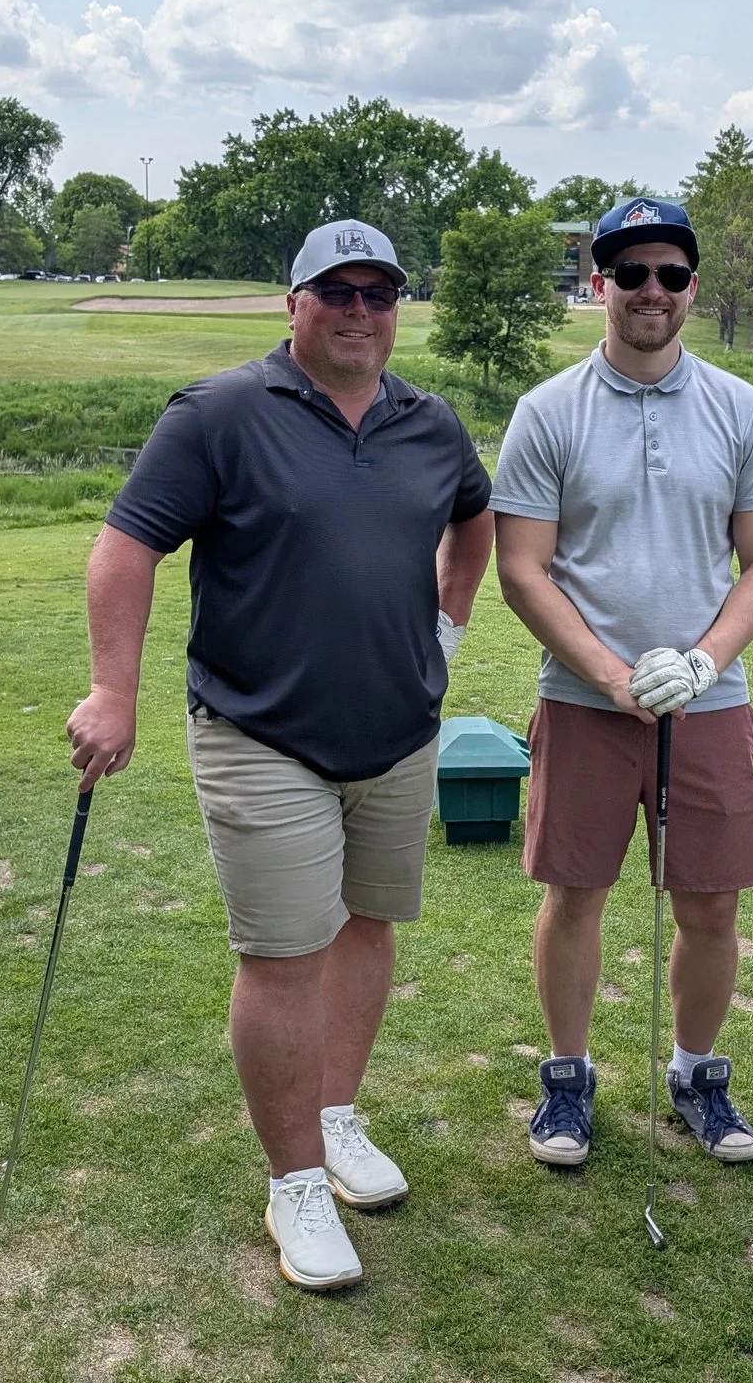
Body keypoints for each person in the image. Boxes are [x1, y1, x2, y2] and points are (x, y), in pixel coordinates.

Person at [64, 219, 494, 1292]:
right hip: (261, 729)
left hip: (398, 730)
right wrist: (113, 690)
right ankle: (293, 1177)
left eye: (378, 293)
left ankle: (336, 1116)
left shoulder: (429, 423)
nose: (358, 311)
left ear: (398, 306)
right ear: (290, 303)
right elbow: (126, 549)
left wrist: (449, 623)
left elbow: (472, 521)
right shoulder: (217, 415)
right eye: (334, 292)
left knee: (367, 926)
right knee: (284, 953)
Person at [492, 195, 753, 1170]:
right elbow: (522, 569)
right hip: (585, 702)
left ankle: (697, 1076)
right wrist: (611, 674)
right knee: (573, 893)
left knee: (709, 902)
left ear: (691, 286)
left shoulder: (738, 408)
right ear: (600, 285)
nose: (650, 290)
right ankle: (567, 1079)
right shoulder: (547, 411)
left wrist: (704, 660)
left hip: (708, 702)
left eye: (669, 273)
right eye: (629, 274)